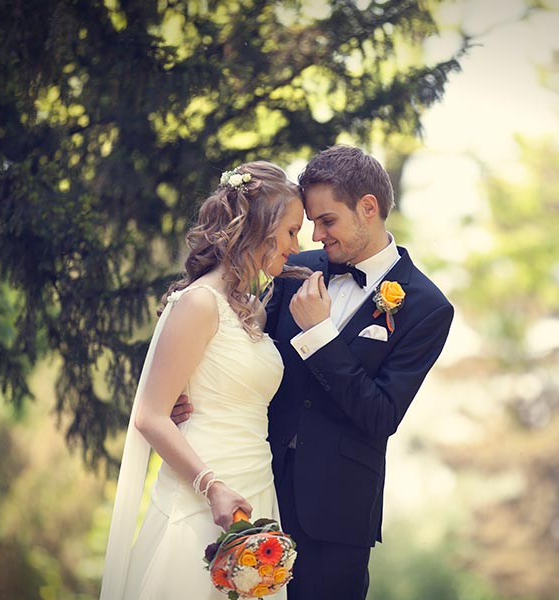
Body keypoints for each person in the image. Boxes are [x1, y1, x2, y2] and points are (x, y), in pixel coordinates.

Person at [173, 144, 455, 599]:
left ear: (368, 208)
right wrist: (184, 391)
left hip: (336, 518)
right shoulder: (296, 269)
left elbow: (381, 415)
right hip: (255, 488)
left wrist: (320, 335)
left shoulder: (427, 307)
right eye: (310, 223)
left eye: (327, 221)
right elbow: (235, 343)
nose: (316, 236)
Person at [100, 161, 308, 600]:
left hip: (256, 489)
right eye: (291, 231)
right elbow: (150, 416)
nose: (297, 245)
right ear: (260, 226)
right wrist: (211, 487)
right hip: (202, 495)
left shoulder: (254, 310)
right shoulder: (198, 303)